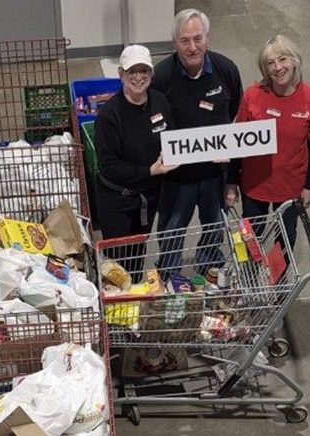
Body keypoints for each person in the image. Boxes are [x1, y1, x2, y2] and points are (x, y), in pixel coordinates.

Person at [150, 8, 243, 273]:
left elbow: (236, 111)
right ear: (174, 43)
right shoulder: (161, 77)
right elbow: (152, 121)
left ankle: (208, 264)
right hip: (177, 176)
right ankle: (169, 271)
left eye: (198, 38)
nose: (192, 47)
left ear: (207, 38)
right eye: (185, 40)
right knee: (172, 227)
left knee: (215, 224)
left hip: (215, 172)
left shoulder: (226, 70)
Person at [95, 44, 178, 279]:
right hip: (117, 202)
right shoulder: (109, 115)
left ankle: (134, 292)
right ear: (121, 74)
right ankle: (119, 298)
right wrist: (149, 171)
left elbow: (171, 137)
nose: (139, 77)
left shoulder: (159, 102)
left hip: (148, 197)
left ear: (151, 73)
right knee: (118, 261)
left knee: (139, 250)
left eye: (144, 71)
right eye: (132, 71)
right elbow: (109, 167)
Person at [232, 35, 310, 248]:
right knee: (251, 234)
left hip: (291, 186)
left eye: (283, 59)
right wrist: (231, 180)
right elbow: (237, 141)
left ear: (294, 61)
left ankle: (280, 270)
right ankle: (249, 268)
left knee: (286, 236)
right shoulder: (252, 96)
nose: (278, 67)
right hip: (255, 183)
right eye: (270, 63)